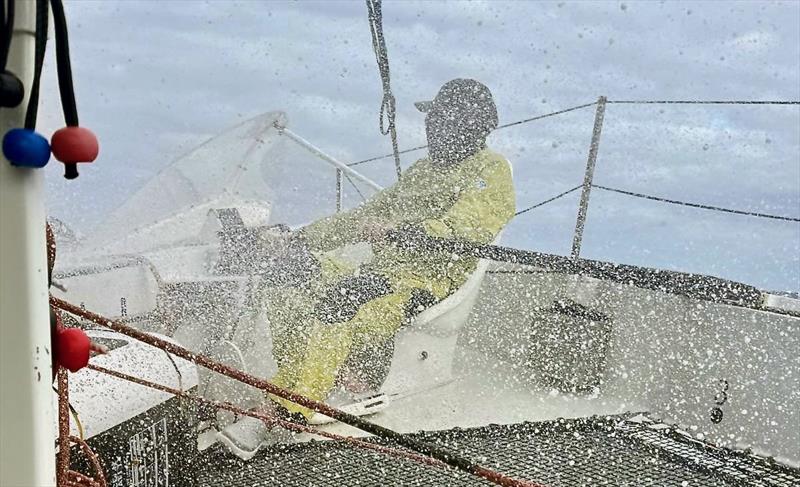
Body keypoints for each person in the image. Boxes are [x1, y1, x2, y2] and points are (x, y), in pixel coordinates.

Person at [218, 78, 516, 458]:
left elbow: (465, 228)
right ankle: (301, 376)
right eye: (433, 118)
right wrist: (298, 239)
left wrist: (404, 232)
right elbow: (362, 217)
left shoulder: (491, 170)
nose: (432, 126)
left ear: (470, 127)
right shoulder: (421, 171)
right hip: (380, 271)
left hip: (422, 282)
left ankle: (284, 410)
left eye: (442, 119)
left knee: (341, 301)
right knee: (287, 274)